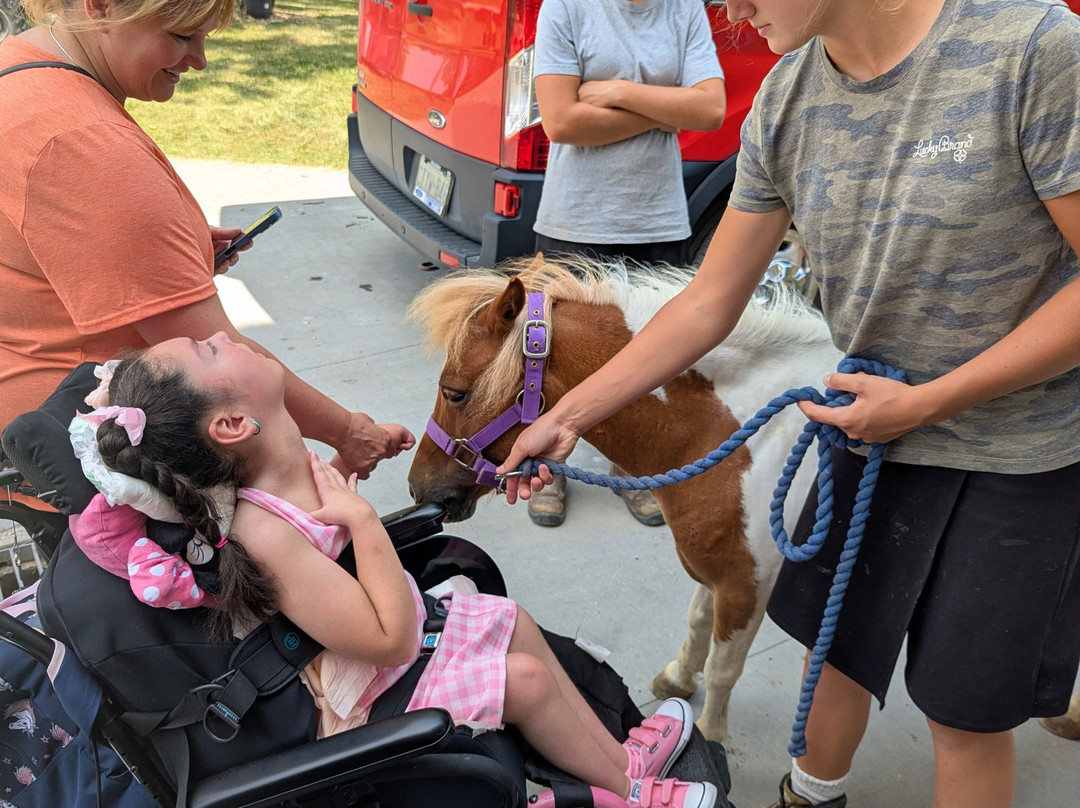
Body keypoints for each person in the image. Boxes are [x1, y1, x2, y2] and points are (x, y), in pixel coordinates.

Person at [496, 1, 1080, 806]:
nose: (728, 10)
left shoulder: (1033, 50)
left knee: (963, 713)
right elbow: (710, 301)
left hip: (1014, 453)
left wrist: (928, 402)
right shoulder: (786, 95)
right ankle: (808, 792)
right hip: (864, 432)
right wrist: (567, 418)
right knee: (833, 645)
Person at [81, 332, 719, 808]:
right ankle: (630, 797)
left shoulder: (287, 466)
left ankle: (620, 764)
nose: (222, 333)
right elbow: (390, 640)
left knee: (511, 619)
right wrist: (361, 519)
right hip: (360, 693)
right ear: (232, 424)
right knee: (522, 678)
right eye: (209, 350)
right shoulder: (263, 532)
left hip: (383, 652)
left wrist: (356, 461)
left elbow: (330, 529)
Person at [0, 0, 411, 480]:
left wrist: (170, 252)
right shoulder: (83, 142)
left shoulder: (20, 65)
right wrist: (348, 432)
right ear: (101, 6)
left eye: (204, 37)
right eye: (180, 35)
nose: (199, 61)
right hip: (95, 460)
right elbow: (221, 364)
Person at [526, 0, 726, 528]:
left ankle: (630, 467)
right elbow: (562, 121)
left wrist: (616, 92)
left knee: (646, 354)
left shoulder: (683, 9)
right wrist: (667, 111)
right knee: (550, 357)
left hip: (658, 222)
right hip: (575, 220)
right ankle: (548, 466)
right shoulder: (565, 7)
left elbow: (711, 110)